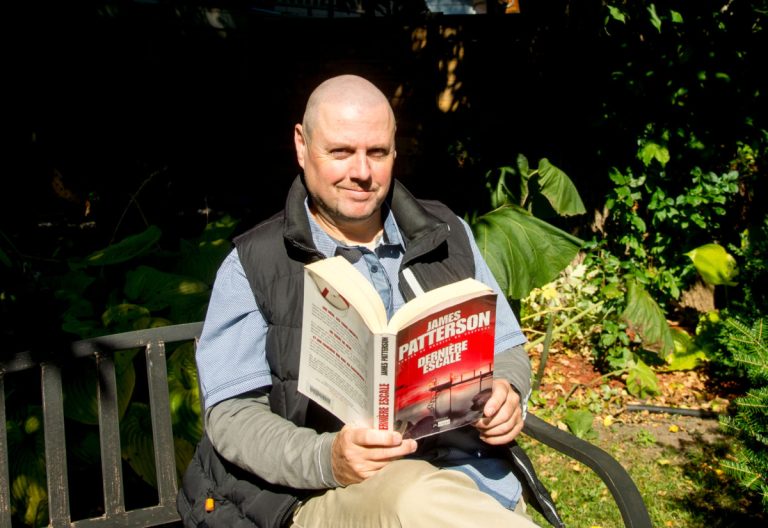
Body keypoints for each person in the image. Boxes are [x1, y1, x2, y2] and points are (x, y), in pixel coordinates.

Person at [178, 74, 560, 528]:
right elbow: (233, 415)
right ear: (301, 146)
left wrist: (508, 392)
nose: (361, 172)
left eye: (377, 153)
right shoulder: (254, 263)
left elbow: (506, 346)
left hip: (476, 482)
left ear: (395, 150)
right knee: (413, 499)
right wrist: (326, 458)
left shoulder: (448, 233)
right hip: (335, 494)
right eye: (340, 152)